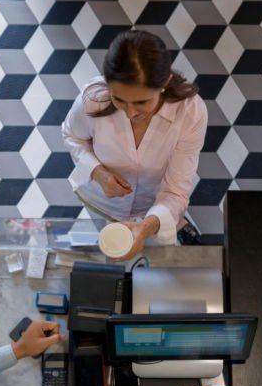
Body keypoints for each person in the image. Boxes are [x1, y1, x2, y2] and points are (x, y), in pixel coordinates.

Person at [62, 29, 208, 261]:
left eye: (142, 101)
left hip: (156, 195)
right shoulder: (92, 100)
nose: (130, 113)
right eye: (119, 99)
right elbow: (72, 135)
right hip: (102, 199)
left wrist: (149, 225)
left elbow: (176, 188)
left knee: (165, 226)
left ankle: (176, 224)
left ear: (165, 82)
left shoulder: (190, 113)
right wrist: (98, 172)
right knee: (109, 232)